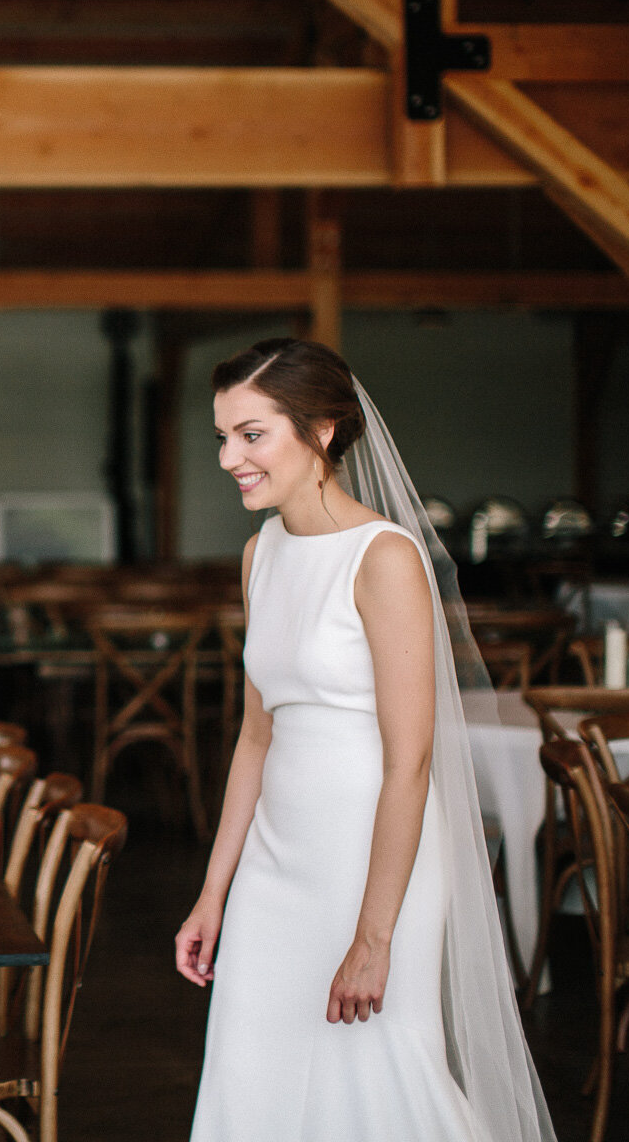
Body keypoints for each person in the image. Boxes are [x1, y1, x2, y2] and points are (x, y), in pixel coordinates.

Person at [174, 338, 553, 1141]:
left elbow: (411, 760)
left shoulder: (384, 557)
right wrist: (215, 893)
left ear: (323, 430)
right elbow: (254, 738)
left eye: (251, 434)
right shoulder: (261, 553)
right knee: (254, 1072)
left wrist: (374, 937)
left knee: (381, 1072)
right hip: (277, 870)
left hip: (376, 868)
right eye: (222, 437)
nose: (229, 458)